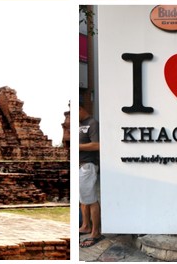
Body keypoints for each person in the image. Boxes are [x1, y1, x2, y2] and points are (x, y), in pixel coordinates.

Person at [79, 106, 102, 248]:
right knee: (83, 198)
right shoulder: (79, 125)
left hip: (88, 165)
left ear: (81, 109)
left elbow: (97, 145)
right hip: (79, 165)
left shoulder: (93, 123)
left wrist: (78, 147)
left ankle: (95, 231)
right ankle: (85, 225)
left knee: (91, 199)